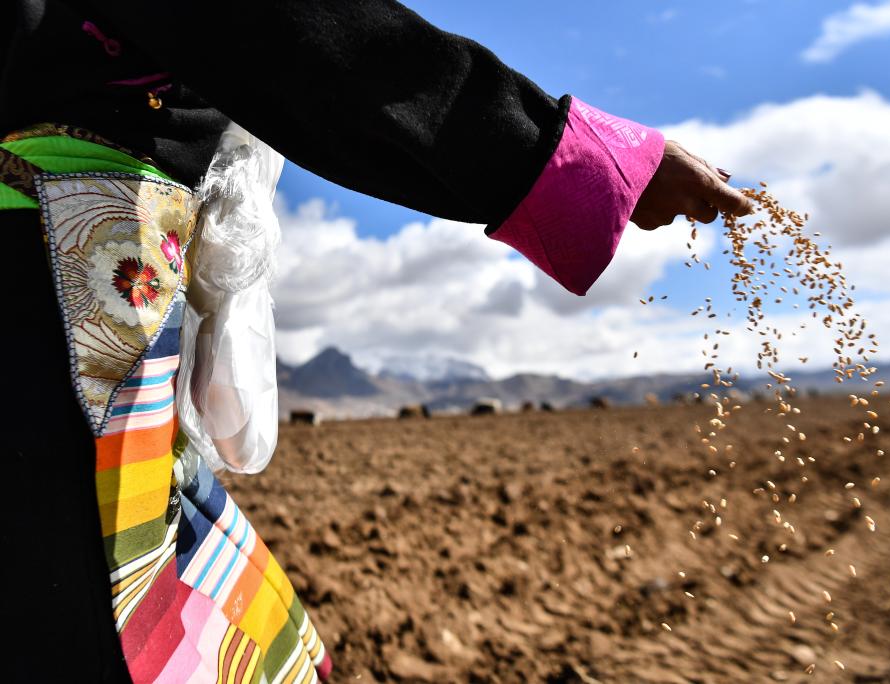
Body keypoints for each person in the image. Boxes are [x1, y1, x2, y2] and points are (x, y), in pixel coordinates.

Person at [0, 1, 752, 681]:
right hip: (54, 254)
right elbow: (286, 31)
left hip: (74, 263)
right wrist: (574, 159)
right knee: (113, 617)